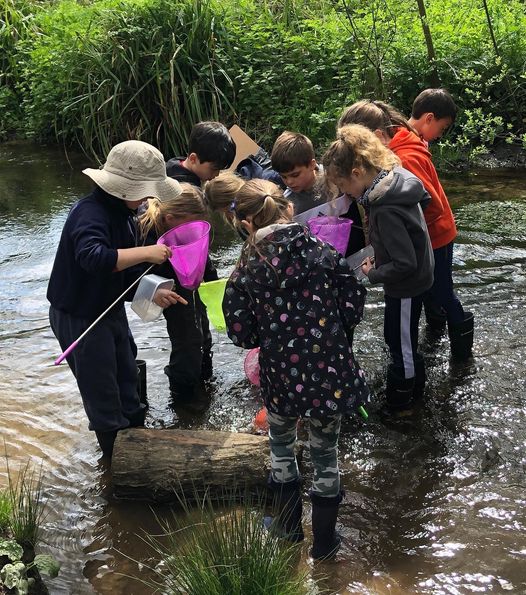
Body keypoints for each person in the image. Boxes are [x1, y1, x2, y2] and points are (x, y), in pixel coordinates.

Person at [222, 178, 369, 560]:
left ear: (249, 223)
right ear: (287, 211)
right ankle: (324, 544)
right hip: (329, 375)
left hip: (281, 379)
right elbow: (353, 302)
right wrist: (333, 331)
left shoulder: (247, 267)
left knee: (282, 450)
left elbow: (240, 332)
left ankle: (289, 532)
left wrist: (269, 332)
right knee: (326, 454)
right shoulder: (324, 252)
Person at [47, 140, 187, 458]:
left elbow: (121, 276)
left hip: (107, 310)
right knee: (102, 391)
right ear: (126, 189)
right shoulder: (89, 213)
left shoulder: (124, 215)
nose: (151, 198)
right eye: (147, 191)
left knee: (127, 373)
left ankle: (136, 442)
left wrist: (153, 291)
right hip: (80, 316)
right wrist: (147, 252)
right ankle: (115, 466)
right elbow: (94, 258)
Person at [338, 99, 474, 360]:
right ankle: (435, 341)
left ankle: (462, 356)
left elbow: (429, 202)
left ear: (377, 137)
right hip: (426, 239)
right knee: (431, 295)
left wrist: (398, 225)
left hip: (436, 236)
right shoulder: (399, 145)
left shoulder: (404, 157)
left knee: (443, 293)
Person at [323, 124, 434, 415]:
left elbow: (405, 263)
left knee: (402, 345)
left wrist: (373, 274)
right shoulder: (393, 181)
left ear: (357, 174)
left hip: (407, 284)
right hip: (413, 276)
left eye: (344, 187)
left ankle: (402, 402)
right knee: (396, 335)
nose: (345, 194)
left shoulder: (384, 208)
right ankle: (413, 389)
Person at [164, 122, 236, 403]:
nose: (215, 176)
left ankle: (201, 389)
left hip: (181, 275)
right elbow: (194, 247)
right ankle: (185, 400)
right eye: (213, 169)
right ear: (193, 159)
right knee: (190, 341)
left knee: (199, 337)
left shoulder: (171, 170)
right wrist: (210, 279)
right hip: (180, 278)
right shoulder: (183, 189)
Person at [137, 183, 211, 412]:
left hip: (190, 278)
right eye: (190, 225)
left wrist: (212, 282)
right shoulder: (144, 232)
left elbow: (202, 254)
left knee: (203, 332)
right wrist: (157, 290)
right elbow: (134, 276)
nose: (193, 231)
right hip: (167, 287)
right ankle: (183, 398)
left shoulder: (188, 225)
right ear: (169, 218)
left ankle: (205, 380)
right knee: (187, 340)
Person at [271, 130, 366, 257]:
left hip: (358, 251)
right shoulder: (288, 204)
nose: (289, 182)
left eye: (295, 175)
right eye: (283, 177)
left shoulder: (336, 179)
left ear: (312, 164)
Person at [166, 121, 236, 185]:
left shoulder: (174, 163)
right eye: (213, 169)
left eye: (219, 169)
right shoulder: (187, 188)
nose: (217, 175)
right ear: (193, 159)